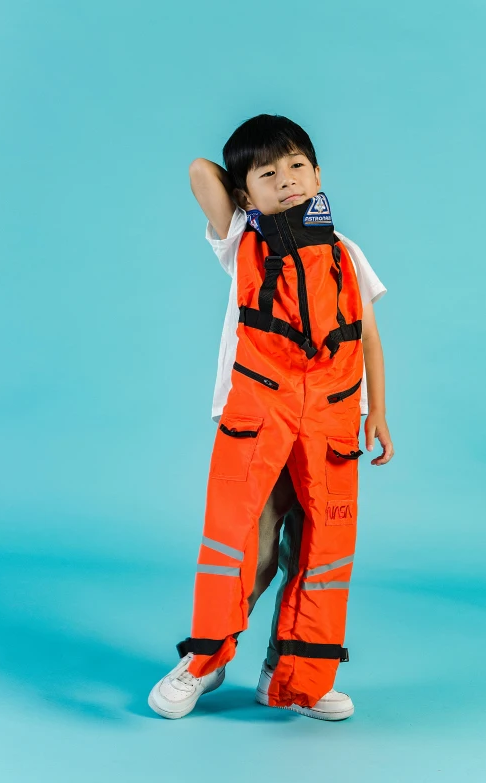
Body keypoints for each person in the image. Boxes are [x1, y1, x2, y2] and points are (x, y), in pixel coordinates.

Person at [149, 114, 394, 721]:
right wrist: (245, 205)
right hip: (261, 415)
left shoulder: (345, 252)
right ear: (245, 194)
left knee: (317, 545)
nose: (287, 180)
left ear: (318, 173)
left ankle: (291, 678)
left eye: (298, 167)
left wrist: (378, 412)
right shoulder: (241, 241)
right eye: (269, 173)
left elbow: (366, 337)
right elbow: (199, 173)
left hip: (332, 419)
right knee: (251, 548)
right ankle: (204, 661)